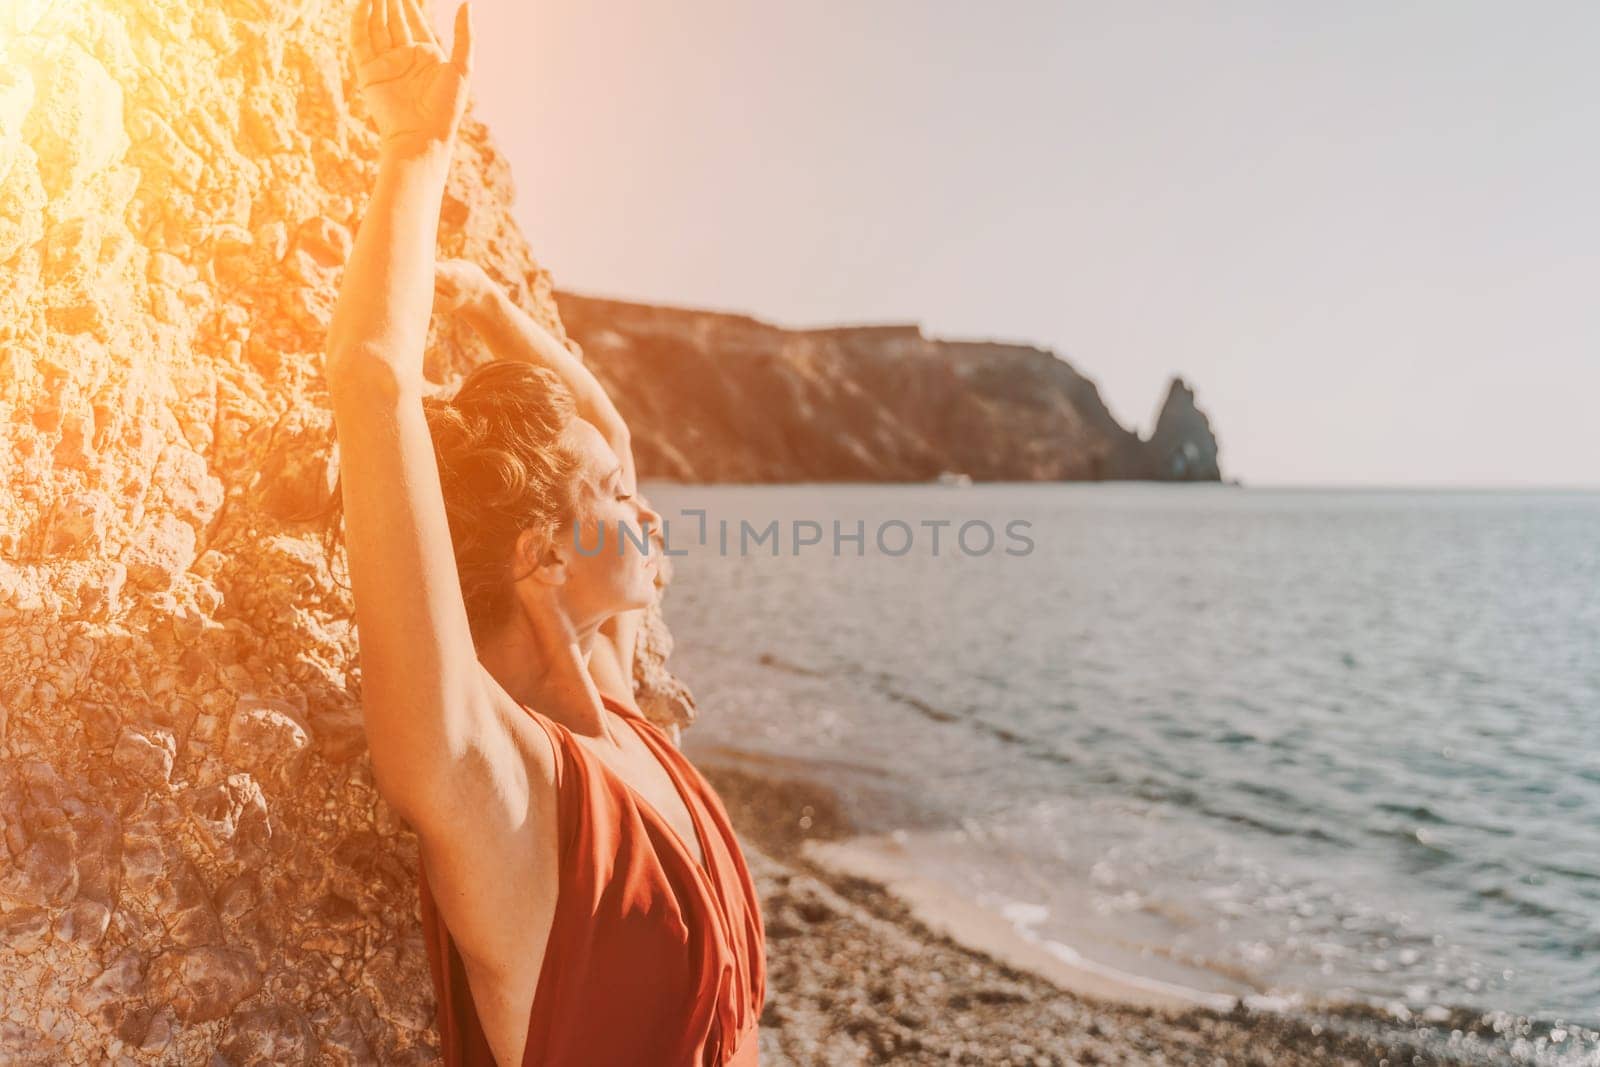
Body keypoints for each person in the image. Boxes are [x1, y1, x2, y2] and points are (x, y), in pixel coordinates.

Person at [322, 1, 766, 1062]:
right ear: (540, 557)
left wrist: (482, 301)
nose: (648, 507)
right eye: (615, 495)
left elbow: (605, 424)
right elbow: (371, 382)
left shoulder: (613, 709)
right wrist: (414, 156)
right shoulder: (495, 788)